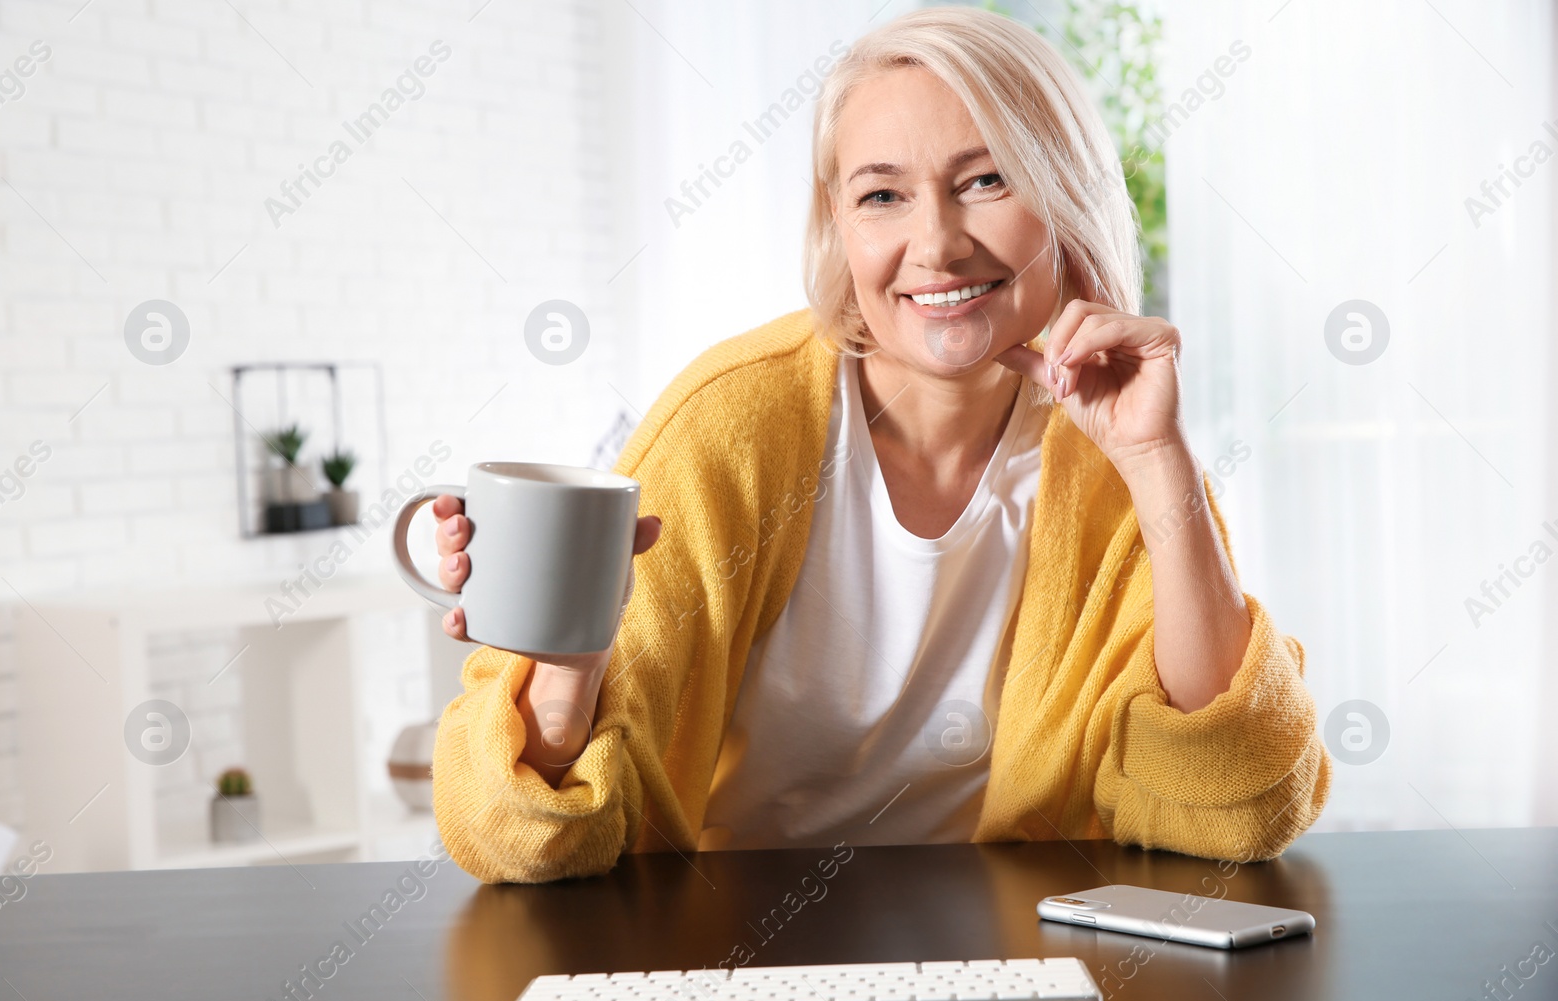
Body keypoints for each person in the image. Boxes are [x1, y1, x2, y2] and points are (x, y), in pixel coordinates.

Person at [428, 6, 1331, 884]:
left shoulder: (1112, 451)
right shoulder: (730, 424)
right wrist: (567, 675)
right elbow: (513, 837)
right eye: (883, 195)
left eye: (986, 180)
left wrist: (1155, 460)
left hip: (1026, 971)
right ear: (839, 224)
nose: (934, 243)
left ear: (1067, 193)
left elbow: (1237, 807)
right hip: (743, 964)